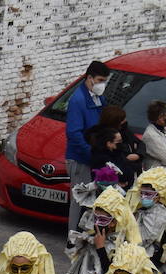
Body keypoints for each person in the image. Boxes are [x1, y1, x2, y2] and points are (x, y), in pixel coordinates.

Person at [65, 185, 142, 274]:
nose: (97, 224)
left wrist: (100, 248)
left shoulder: (123, 245)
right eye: (96, 218)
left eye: (102, 220)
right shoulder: (92, 235)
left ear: (114, 221)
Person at [66, 61, 113, 230]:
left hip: (93, 158)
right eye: (100, 80)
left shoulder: (99, 98)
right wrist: (92, 155)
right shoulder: (77, 101)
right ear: (89, 78)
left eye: (105, 81)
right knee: (79, 202)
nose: (102, 84)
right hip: (81, 160)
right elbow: (74, 134)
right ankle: (73, 239)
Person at [126, 166, 166, 264]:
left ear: (158, 196)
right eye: (142, 193)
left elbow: (143, 240)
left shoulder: (162, 214)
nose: (144, 197)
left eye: (148, 194)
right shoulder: (141, 210)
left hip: (148, 260)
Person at [90, 106, 143, 185]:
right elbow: (120, 173)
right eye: (118, 141)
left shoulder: (117, 148)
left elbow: (140, 144)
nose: (125, 121)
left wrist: (138, 155)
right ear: (109, 143)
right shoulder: (102, 156)